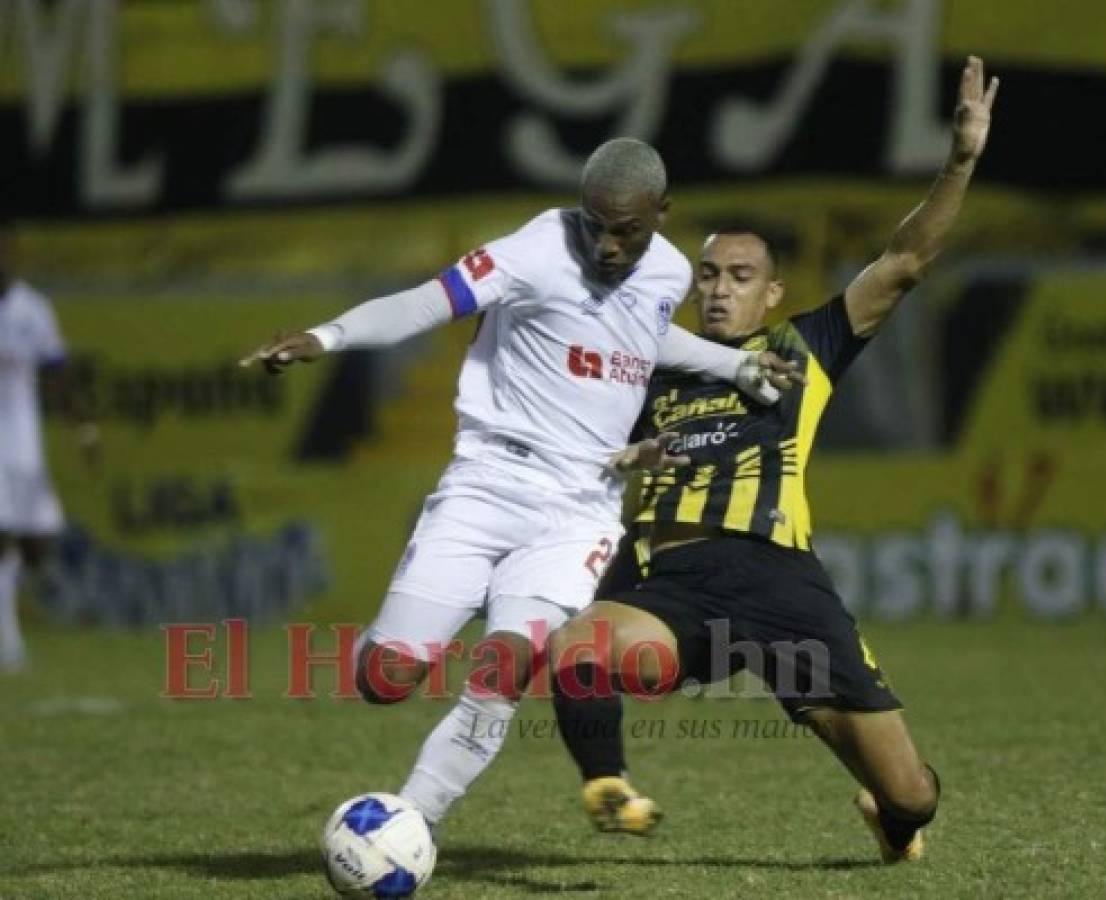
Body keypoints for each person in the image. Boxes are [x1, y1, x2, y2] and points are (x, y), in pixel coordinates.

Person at [241, 138, 801, 830]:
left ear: (661, 213)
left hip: (579, 510)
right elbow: (426, 302)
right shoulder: (533, 251)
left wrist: (733, 368)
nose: (605, 245)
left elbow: (641, 338)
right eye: (593, 223)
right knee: (385, 680)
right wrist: (327, 336)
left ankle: (409, 822)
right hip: (486, 482)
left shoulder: (667, 271)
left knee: (503, 668)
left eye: (624, 229)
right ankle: (408, 635)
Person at [548, 57, 998, 863]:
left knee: (912, 796)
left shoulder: (806, 346)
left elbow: (903, 265)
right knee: (576, 649)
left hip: (783, 586)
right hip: (676, 587)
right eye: (710, 275)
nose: (719, 290)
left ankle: (888, 816)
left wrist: (959, 161)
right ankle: (607, 784)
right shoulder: (651, 366)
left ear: (771, 294)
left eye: (740, 277)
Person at [0, 216, 96, 671]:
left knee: (39, 540)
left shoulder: (32, 308)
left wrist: (83, 428)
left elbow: (56, 371)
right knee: (3, 536)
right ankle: (8, 639)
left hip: (24, 446)